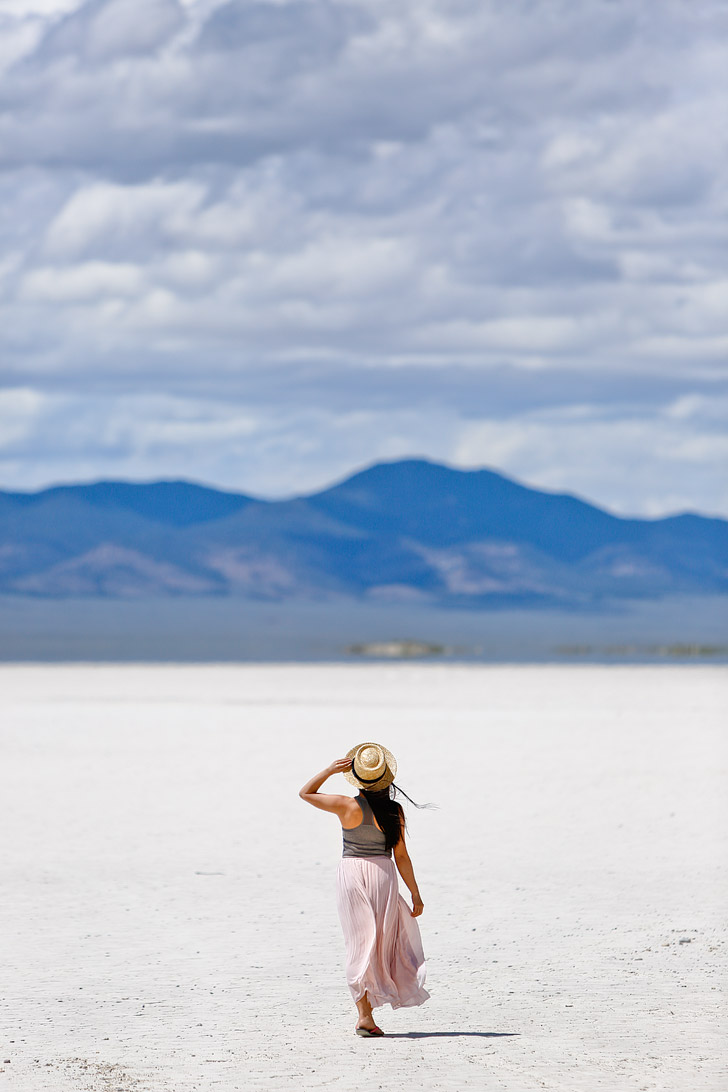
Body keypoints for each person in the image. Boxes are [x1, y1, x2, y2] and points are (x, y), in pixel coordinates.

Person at [299, 741, 430, 1037]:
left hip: (352, 874)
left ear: (356, 777)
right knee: (382, 941)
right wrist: (415, 893)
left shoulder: (345, 806)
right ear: (386, 779)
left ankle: (364, 1015)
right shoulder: (394, 811)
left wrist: (331, 770)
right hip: (383, 874)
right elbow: (402, 856)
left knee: (358, 944)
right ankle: (370, 1011)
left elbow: (305, 793)